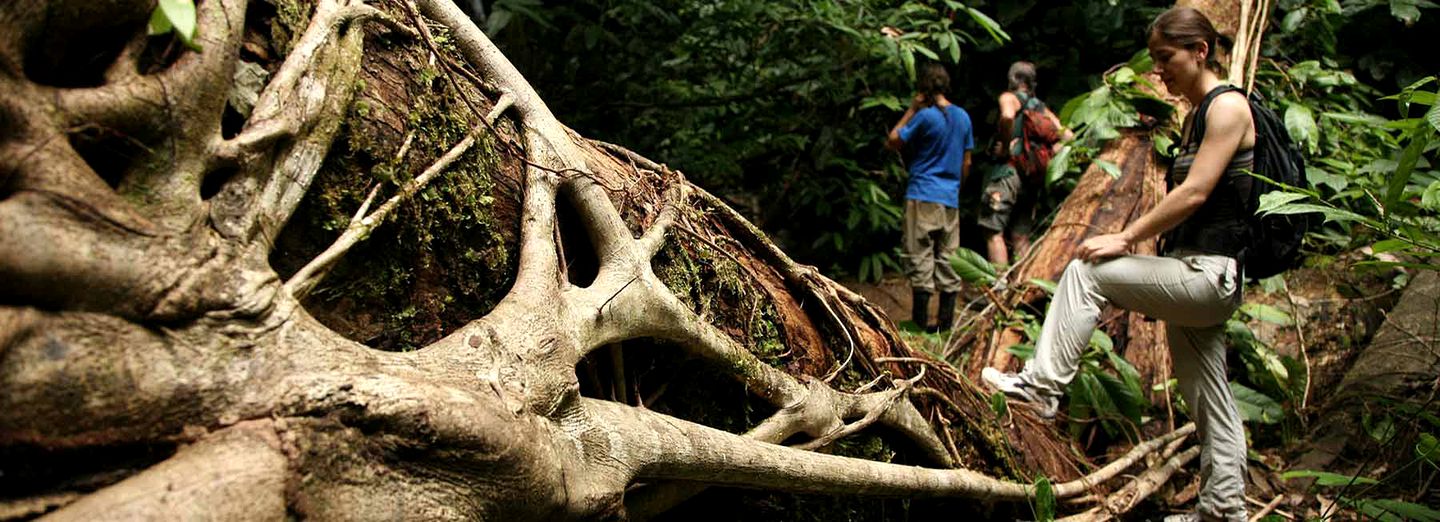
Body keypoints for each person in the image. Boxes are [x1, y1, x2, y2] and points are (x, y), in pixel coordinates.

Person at [982, 7, 1253, 522]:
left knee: (1086, 273)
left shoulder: (1228, 108)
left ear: (1200, 51)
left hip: (1209, 275)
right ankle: (1224, 510)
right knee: (1210, 396)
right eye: (1153, 59)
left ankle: (1041, 389)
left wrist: (1126, 237)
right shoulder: (1198, 114)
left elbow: (1195, 192)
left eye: (1165, 58)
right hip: (1198, 272)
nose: (1160, 70)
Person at [885, 62, 974, 332]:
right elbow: (967, 162)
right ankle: (945, 328)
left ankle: (920, 327)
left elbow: (894, 140)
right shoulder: (963, 117)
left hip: (922, 194)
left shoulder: (925, 116)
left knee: (919, 256)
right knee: (948, 258)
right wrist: (957, 187)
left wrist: (912, 109)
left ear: (923, 88)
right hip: (950, 198)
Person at [979, 61, 1071, 267]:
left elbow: (1007, 116)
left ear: (1011, 79)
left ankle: (1000, 290)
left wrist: (1004, 146)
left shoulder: (1008, 98)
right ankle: (1021, 290)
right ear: (1032, 83)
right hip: (1031, 180)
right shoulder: (1042, 109)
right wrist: (1046, 155)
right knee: (1021, 237)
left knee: (994, 232)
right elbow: (1068, 137)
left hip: (1007, 174)